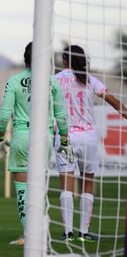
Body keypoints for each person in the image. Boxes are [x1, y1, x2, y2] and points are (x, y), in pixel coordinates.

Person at [0, 42, 73, 245]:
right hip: (45, 137)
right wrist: (64, 140)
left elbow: (4, 116)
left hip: (21, 136)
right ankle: (40, 231)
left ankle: (28, 235)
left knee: (23, 190)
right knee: (38, 188)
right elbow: (61, 116)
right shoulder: (52, 82)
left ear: (24, 59)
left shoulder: (14, 81)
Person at [55, 45, 127, 242]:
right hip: (88, 138)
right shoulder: (89, 79)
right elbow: (111, 99)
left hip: (65, 137)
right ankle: (84, 232)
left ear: (65, 59)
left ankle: (68, 232)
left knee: (66, 187)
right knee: (87, 183)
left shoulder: (56, 79)